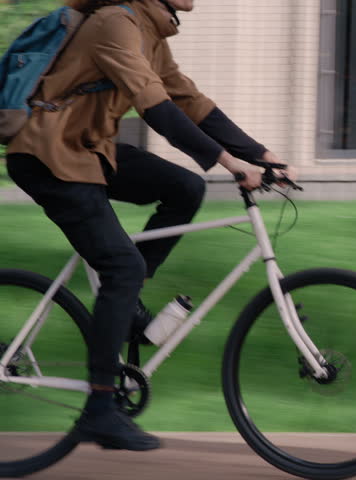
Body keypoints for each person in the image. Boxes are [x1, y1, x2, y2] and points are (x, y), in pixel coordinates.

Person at [5, 0, 292, 451]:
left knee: (185, 188)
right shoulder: (115, 23)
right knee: (122, 266)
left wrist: (262, 154)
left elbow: (189, 101)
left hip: (90, 151)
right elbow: (156, 107)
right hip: (50, 155)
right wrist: (228, 161)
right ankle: (99, 410)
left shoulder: (150, 33)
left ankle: (129, 307)